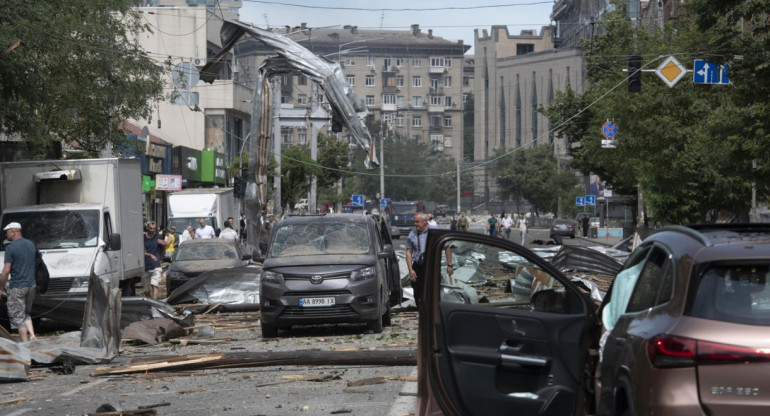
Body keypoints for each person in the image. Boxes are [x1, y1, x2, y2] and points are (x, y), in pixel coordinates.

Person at [1, 222, 37, 342]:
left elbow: (6, 270)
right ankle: (32, 335)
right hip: (32, 285)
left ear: (13, 232)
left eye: (7, 233)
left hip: (17, 286)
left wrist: (1, 288)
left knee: (17, 315)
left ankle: (25, 344)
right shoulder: (31, 244)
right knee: (26, 312)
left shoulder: (10, 248)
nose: (6, 235)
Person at [406, 213, 430, 308]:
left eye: (417, 222)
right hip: (418, 265)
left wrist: (449, 265)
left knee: (429, 289)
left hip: (430, 265)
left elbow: (446, 247)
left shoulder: (433, 232)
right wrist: (410, 270)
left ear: (425, 222)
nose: (415, 224)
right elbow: (408, 253)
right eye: (414, 222)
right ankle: (420, 310)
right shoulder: (412, 234)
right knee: (417, 289)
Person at [142, 221, 168, 299]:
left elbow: (164, 245)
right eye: (151, 228)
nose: (152, 230)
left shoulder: (157, 237)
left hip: (156, 264)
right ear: (147, 228)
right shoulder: (143, 238)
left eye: (154, 228)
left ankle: (154, 303)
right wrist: (150, 255)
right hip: (145, 265)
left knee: (154, 284)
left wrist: (161, 256)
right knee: (146, 290)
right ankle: (150, 302)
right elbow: (141, 252)